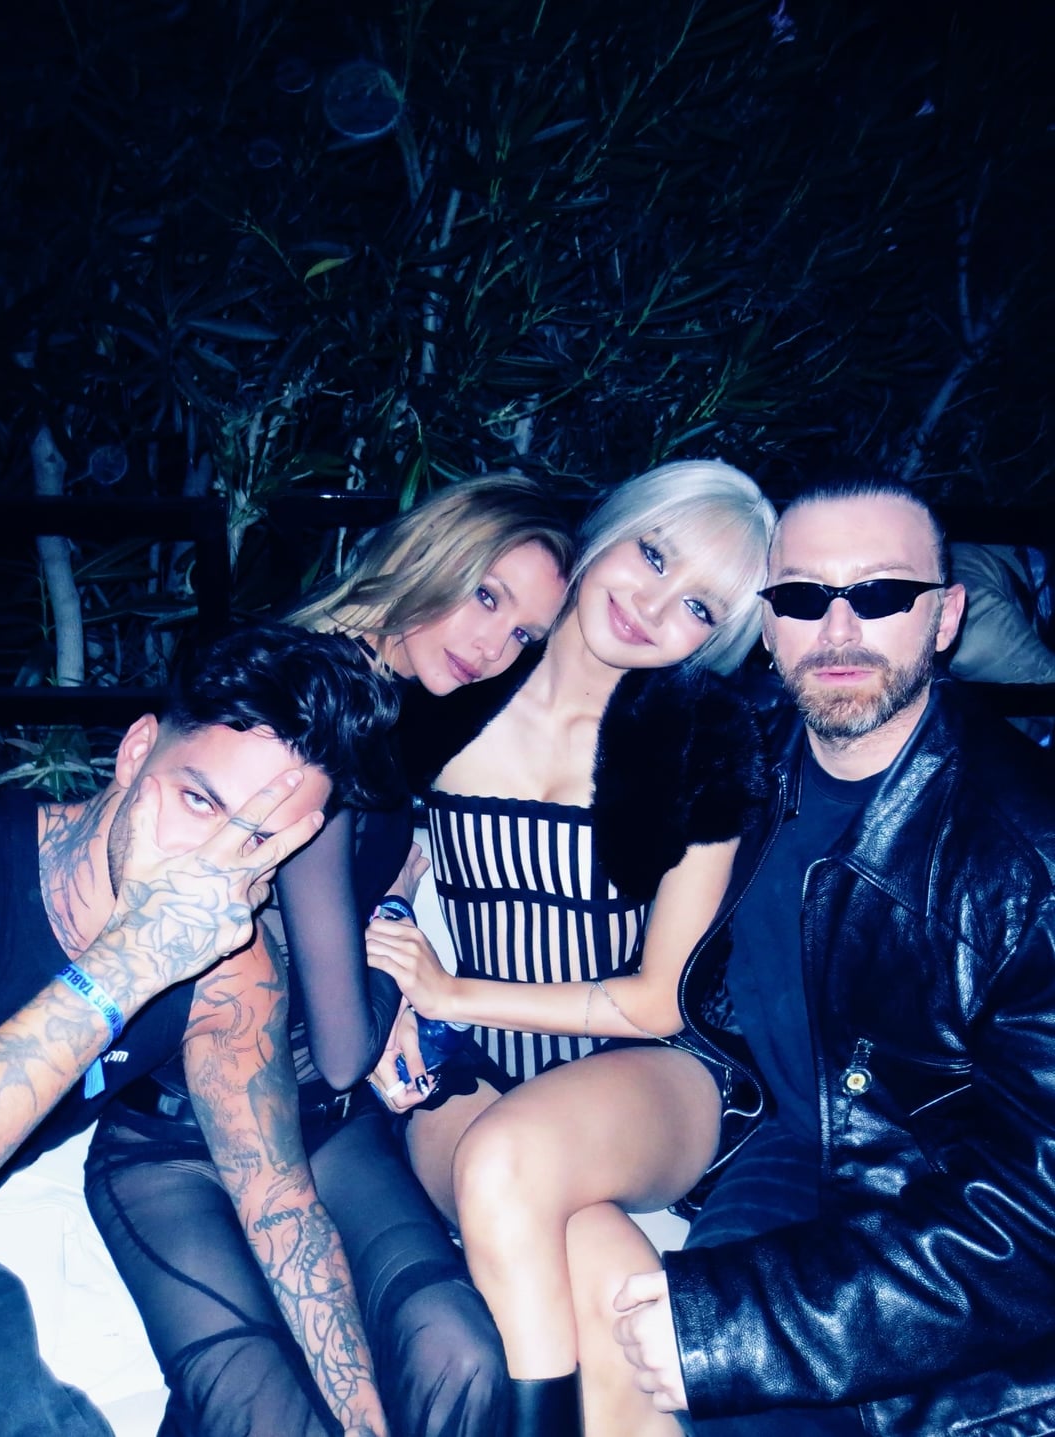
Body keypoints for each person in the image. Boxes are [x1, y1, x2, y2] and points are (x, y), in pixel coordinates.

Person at [85, 475, 574, 1437]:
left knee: (462, 1354)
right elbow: (349, 1046)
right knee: (267, 1409)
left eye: (523, 632)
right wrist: (396, 959)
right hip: (176, 1142)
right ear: (431, 555)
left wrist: (386, 906)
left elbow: (339, 950)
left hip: (323, 1124)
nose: (493, 646)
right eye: (486, 595)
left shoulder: (371, 692)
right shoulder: (313, 718)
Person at [611, 479, 1055, 1435]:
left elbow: (1036, 1218)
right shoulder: (742, 754)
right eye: (805, 596)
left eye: (883, 593)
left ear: (946, 617)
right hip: (783, 1136)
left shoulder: (1027, 860)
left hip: (938, 1211)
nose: (839, 629)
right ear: (768, 627)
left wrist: (744, 1327)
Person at [363, 460, 776, 1436]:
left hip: (649, 1069)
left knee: (510, 1159)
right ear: (607, 531)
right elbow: (384, 861)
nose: (654, 606)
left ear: (717, 641)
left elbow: (659, 999)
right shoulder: (460, 682)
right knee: (601, 1258)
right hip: (472, 1069)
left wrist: (453, 992)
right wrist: (394, 981)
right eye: (654, 555)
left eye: (700, 608)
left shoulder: (700, 739)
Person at [0, 618, 403, 1437]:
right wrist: (129, 962)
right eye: (199, 800)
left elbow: (280, 1206)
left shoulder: (230, 971)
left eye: (259, 841)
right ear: (137, 751)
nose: (209, 863)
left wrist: (363, 1422)